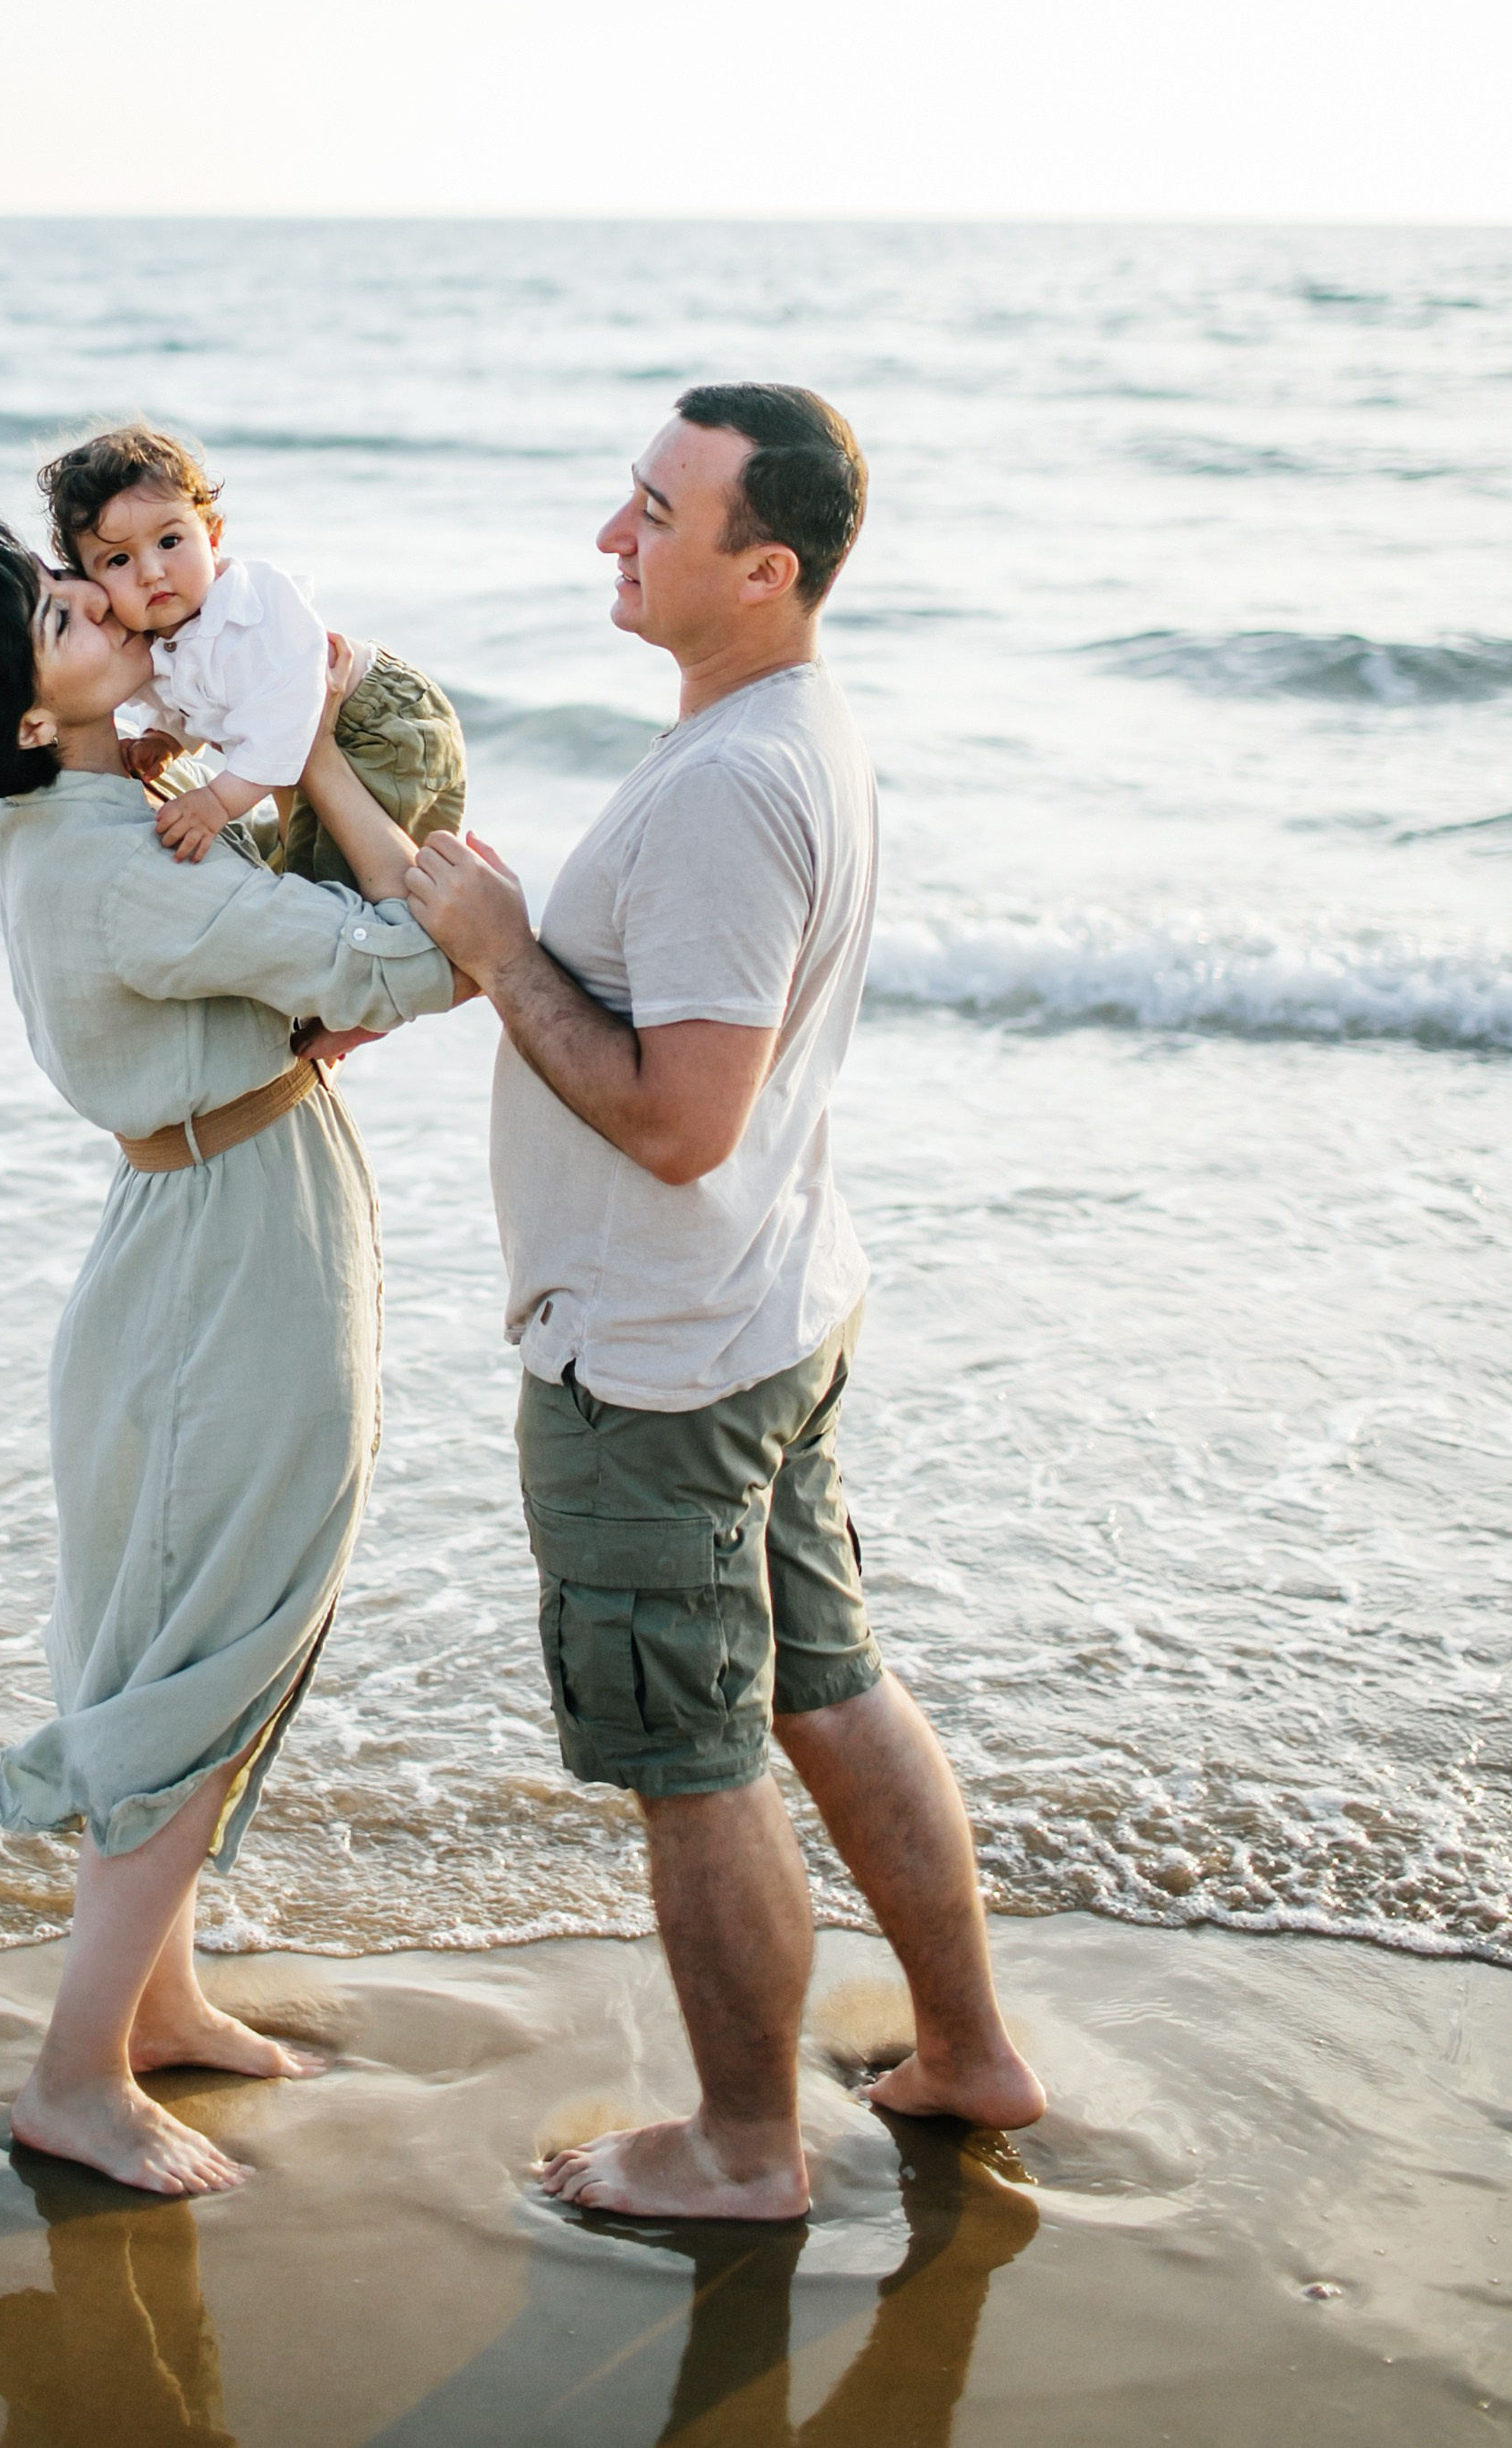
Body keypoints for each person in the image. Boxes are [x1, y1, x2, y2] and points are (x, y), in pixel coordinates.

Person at [405, 384, 1044, 2223]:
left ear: (759, 569)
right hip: (764, 1311)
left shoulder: (727, 788)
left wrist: (498, 951)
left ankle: (743, 2148)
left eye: (653, 514)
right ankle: (969, 2052)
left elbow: (679, 1124)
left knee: (691, 1762)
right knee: (825, 1685)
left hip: (663, 1356)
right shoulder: (785, 733)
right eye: (624, 498)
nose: (610, 537)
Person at [0, 513, 464, 2199]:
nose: (110, 598)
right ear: (32, 716)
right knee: (210, 1645)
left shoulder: (88, 813)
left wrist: (228, 754)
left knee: (185, 1627)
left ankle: (161, 1995)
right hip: (226, 1252)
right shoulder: (123, 860)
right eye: (64, 609)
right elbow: (426, 954)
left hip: (203, 1220)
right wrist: (325, 757)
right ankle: (73, 2075)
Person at [38, 419, 465, 888]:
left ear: (213, 536)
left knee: (363, 880)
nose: (151, 571)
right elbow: (196, 693)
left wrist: (218, 802)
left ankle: (440, 939)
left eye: (169, 541)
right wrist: (166, 739)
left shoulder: (250, 607)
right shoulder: (154, 637)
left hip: (376, 725)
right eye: (118, 560)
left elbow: (285, 711)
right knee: (314, 864)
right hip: (302, 745)